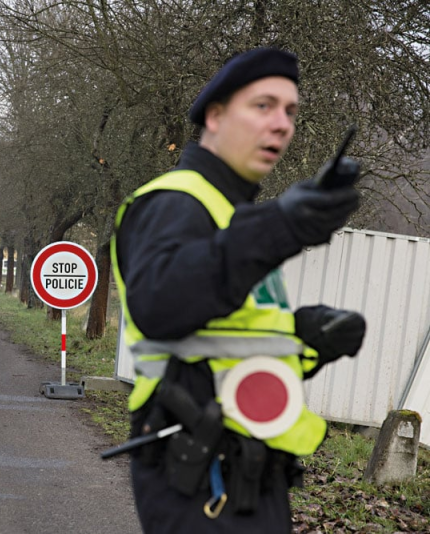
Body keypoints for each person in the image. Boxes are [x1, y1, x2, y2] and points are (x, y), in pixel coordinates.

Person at [110, 48, 366, 533]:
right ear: (215, 114)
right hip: (199, 468)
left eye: (290, 111)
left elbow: (224, 333)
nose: (282, 124)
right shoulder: (176, 201)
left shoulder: (233, 213)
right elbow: (159, 304)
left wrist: (305, 336)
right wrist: (278, 227)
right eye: (263, 105)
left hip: (248, 472)